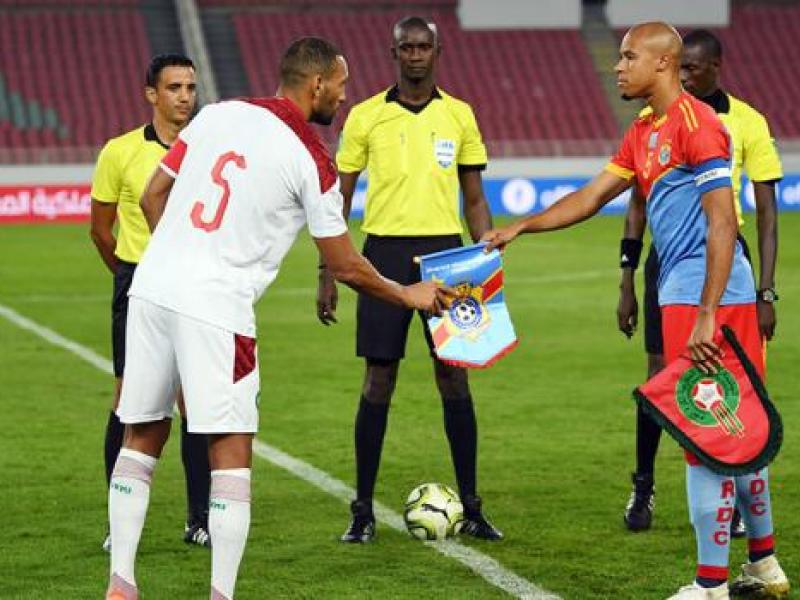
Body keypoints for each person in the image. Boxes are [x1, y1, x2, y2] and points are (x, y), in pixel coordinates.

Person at [104, 37, 451, 600]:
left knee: (141, 434)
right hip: (216, 306)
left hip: (152, 288)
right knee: (231, 450)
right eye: (340, 84)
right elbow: (345, 265)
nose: (344, 95)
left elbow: (152, 196)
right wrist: (407, 294)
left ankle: (121, 585)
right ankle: (221, 594)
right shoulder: (312, 159)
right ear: (316, 85)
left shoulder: (217, 114)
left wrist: (180, 251)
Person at [483, 22, 789, 600]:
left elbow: (724, 220)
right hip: (702, 291)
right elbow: (592, 196)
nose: (617, 66)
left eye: (628, 57)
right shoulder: (646, 129)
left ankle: (710, 584)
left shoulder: (700, 128)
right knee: (739, 426)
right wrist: (521, 227)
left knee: (705, 436)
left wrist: (704, 312)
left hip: (706, 295)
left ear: (664, 63)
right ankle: (765, 565)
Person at [317, 16, 501, 543]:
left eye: (424, 46)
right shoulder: (366, 117)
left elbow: (474, 198)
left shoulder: (459, 115)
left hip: (447, 257)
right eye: (407, 47)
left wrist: (485, 258)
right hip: (383, 256)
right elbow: (340, 199)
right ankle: (361, 511)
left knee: (454, 377)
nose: (415, 54)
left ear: (437, 51)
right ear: (393, 53)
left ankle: (472, 505)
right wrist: (327, 269)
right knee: (379, 379)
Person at [616, 29, 783, 534]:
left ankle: (731, 507)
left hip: (723, 257)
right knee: (660, 376)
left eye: (693, 67)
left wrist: (766, 291)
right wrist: (626, 277)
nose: (686, 74)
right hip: (668, 261)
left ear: (715, 67)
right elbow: (637, 202)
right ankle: (644, 484)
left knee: (729, 386)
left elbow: (764, 214)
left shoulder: (739, 121)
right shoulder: (651, 124)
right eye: (680, 66)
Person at [90, 53, 212, 550]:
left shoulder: (209, 149)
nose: (184, 96)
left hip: (196, 287)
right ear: (151, 94)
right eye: (174, 87)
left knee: (195, 402)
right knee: (129, 403)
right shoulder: (119, 151)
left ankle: (199, 518)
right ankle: (118, 519)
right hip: (139, 282)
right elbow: (100, 230)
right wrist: (130, 274)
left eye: (190, 86)